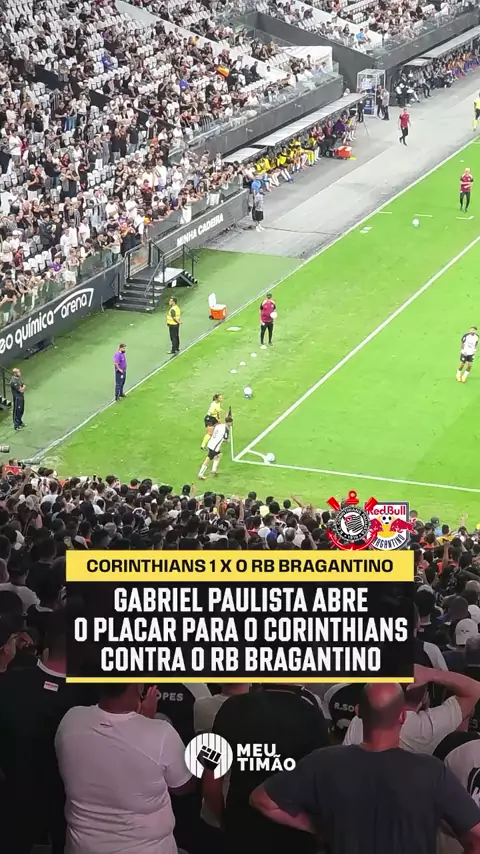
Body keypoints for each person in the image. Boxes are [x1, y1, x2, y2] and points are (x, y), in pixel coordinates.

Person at [250, 682, 480, 854]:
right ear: (402, 717)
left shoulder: (322, 762)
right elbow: (476, 836)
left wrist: (316, 826)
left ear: (358, 711)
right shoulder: (432, 772)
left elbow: (262, 800)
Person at [55, 683, 193, 854]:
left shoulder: (71, 719)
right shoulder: (161, 733)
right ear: (137, 686)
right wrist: (147, 723)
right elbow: (183, 786)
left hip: (81, 847)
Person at [203, 684, 329, 854]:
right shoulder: (310, 712)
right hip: (293, 833)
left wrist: (224, 821)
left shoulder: (231, 708)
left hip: (241, 828)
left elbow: (211, 781)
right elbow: (323, 782)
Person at [344, 663, 480, 753]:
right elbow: (475, 690)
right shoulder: (427, 728)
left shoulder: (360, 721)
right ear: (425, 696)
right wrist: (431, 673)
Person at [198, 412, 232, 480]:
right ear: (229, 422)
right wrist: (227, 439)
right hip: (214, 447)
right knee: (208, 459)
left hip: (211, 443)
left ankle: (214, 470)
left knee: (218, 455)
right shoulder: (226, 429)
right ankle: (200, 474)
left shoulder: (219, 425)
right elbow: (225, 439)